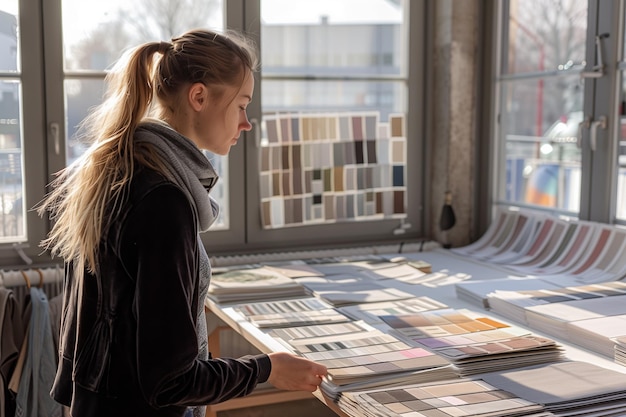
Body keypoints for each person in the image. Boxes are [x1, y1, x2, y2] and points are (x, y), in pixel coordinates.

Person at [37, 28, 327, 417]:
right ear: (200, 97)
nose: (247, 123)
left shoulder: (119, 169)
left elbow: (83, 344)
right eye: (242, 105)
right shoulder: (163, 201)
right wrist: (267, 368)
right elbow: (170, 381)